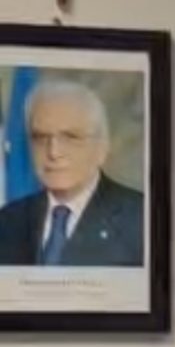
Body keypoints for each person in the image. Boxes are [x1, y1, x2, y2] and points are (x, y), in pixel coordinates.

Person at [0, 80, 143, 267]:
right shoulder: (8, 220)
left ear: (102, 146)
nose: (54, 152)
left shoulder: (140, 218)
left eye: (70, 137)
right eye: (40, 137)